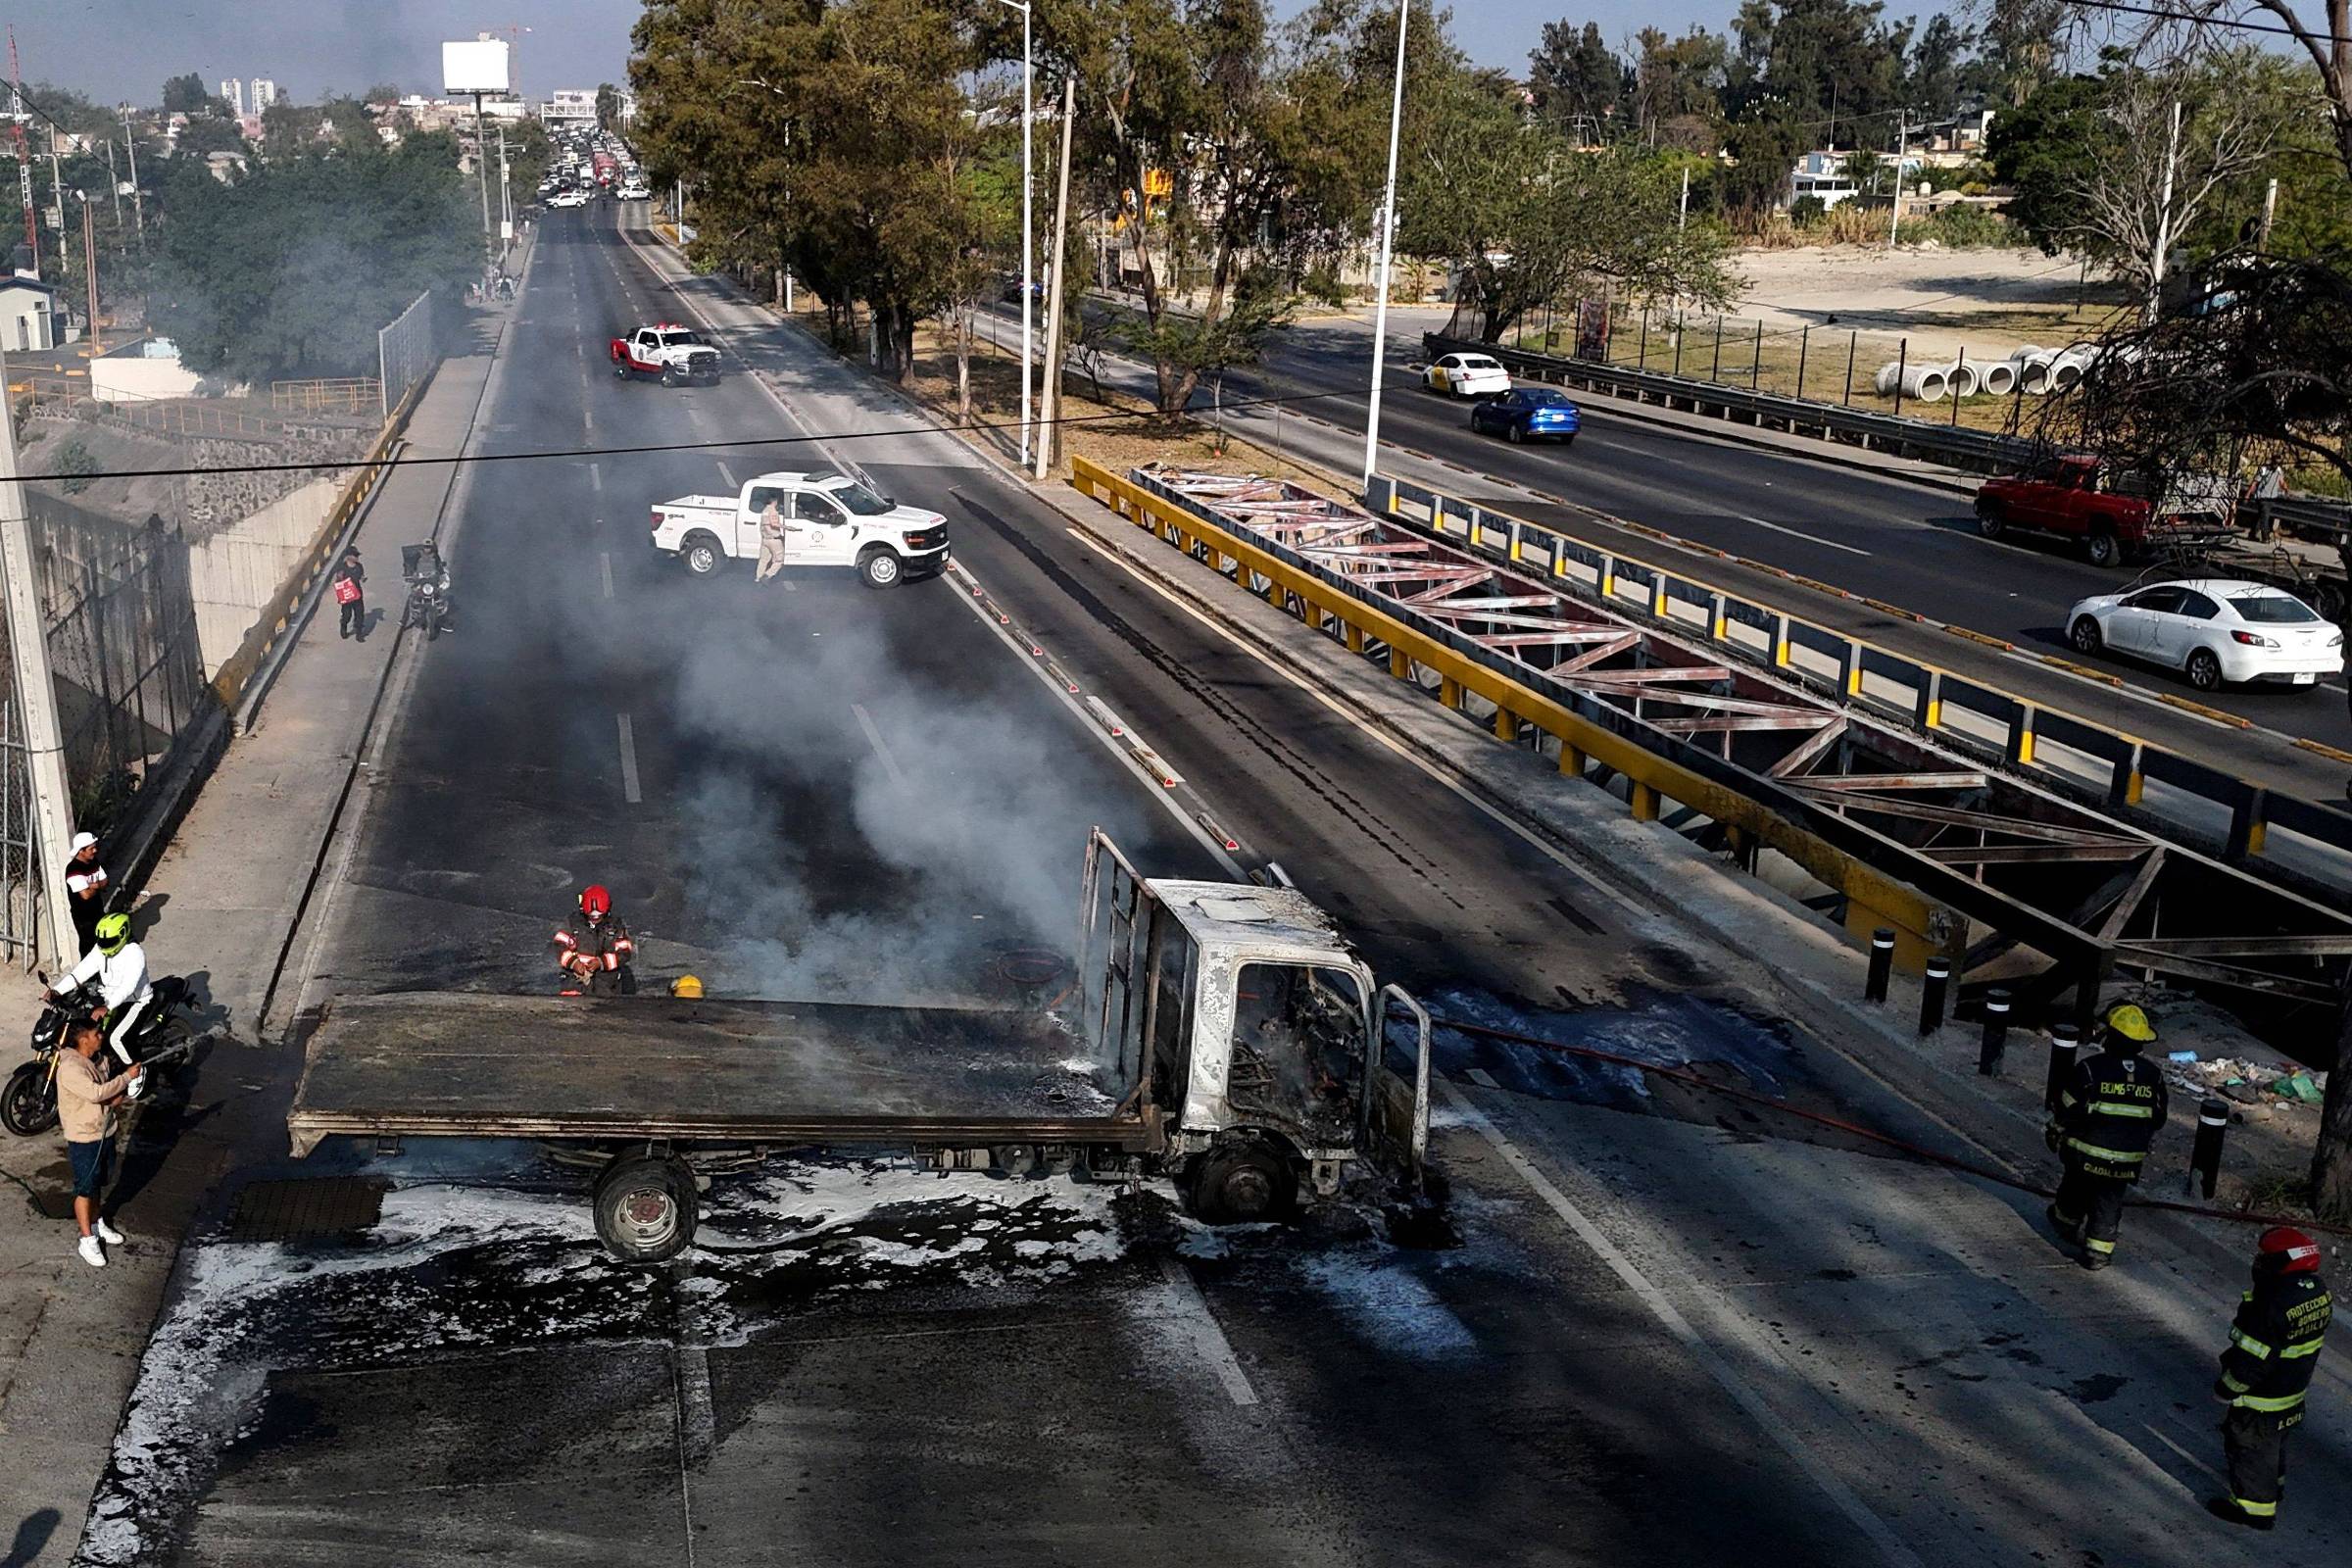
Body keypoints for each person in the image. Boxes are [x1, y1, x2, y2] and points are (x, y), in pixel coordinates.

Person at [2208, 1226, 2332, 1530]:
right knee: (2273, 1443)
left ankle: (2255, 1509)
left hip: (2261, 1397)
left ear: (2284, 1263)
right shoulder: (2318, 1292)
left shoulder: (2268, 1306)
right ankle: (2272, 1485)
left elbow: (2251, 1362)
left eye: (2265, 1259)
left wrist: (2226, 1389)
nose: (2258, 1264)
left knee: (2249, 1445)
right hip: (2292, 1391)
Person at [2045, 1002, 2168, 1270]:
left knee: (2075, 1186)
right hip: (2127, 1160)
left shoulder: (2091, 1068)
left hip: (2085, 1152)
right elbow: (2159, 1118)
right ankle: (2098, 1252)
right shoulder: (2154, 1076)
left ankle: (2065, 1222)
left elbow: (2068, 1107)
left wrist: (2057, 1130)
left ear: (2109, 1037)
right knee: (2109, 1201)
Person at [56, 1018, 142, 1267]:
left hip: (103, 1131)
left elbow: (101, 1091)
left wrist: (113, 1098)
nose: (101, 1037)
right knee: (85, 1187)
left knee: (98, 1182)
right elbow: (95, 1093)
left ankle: (96, 1222)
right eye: (97, 1034)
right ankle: (87, 1238)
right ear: (83, 1040)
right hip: (85, 1138)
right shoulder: (71, 1068)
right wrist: (126, 1078)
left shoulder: (97, 1059)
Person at [50, 912, 155, 1100]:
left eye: (111, 941)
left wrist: (107, 1006)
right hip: (108, 999)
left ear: (123, 934)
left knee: (116, 1038)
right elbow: (81, 971)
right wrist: (57, 990)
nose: (105, 946)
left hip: (136, 1001)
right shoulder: (100, 949)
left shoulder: (134, 952)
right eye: (103, 942)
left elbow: (128, 986)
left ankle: (136, 1072)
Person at [553, 884, 636, 996]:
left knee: (606, 1011)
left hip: (606, 987)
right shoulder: (572, 924)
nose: (595, 918)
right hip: (574, 984)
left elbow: (624, 953)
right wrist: (574, 963)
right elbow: (560, 946)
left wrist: (602, 962)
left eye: (599, 916)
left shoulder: (616, 926)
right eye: (591, 916)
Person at [64, 830, 110, 956]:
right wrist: (97, 886)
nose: (95, 851)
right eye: (91, 849)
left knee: (104, 943)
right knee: (88, 947)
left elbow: (105, 881)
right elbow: (86, 895)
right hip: (84, 917)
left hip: (97, 910)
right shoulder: (73, 870)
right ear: (81, 851)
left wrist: (94, 885)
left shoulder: (94, 862)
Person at [332, 545, 367, 642]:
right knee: (347, 614)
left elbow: (361, 576)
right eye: (355, 556)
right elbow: (338, 582)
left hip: (357, 594)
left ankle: (359, 633)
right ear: (348, 557)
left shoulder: (359, 566)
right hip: (347, 596)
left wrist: (363, 578)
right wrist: (339, 578)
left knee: (359, 614)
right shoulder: (342, 568)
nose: (357, 557)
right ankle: (343, 626)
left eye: (357, 556)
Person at [754, 496, 788, 583]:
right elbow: (774, 524)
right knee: (779, 560)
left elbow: (765, 525)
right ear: (775, 502)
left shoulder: (764, 511)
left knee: (763, 560)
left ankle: (758, 579)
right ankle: (767, 575)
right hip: (774, 539)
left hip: (765, 539)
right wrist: (788, 528)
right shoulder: (773, 511)